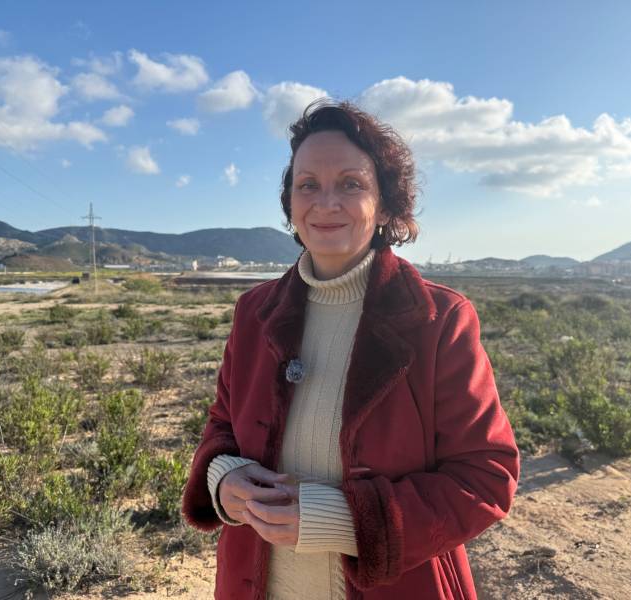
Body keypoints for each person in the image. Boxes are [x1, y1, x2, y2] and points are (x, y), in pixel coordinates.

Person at [181, 100, 520, 600]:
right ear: (290, 203)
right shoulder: (254, 312)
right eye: (308, 184)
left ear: (385, 205)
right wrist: (223, 477)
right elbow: (222, 426)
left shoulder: (438, 319)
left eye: (351, 184)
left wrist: (342, 520)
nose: (326, 202)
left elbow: (485, 477)